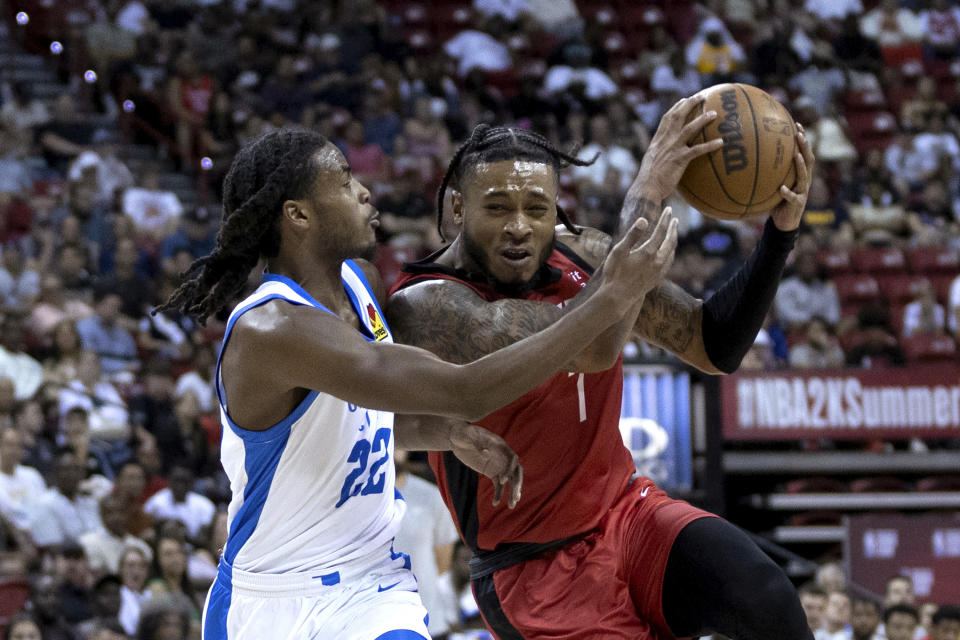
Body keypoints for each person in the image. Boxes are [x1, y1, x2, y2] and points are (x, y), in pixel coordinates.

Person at [155, 128, 676, 639]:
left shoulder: (362, 282)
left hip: (370, 588)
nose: (363, 191)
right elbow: (466, 390)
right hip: (270, 603)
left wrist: (443, 434)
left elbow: (347, 419)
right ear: (298, 214)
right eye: (342, 181)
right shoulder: (272, 329)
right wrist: (609, 297)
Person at [386, 97, 815, 640]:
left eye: (537, 207)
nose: (519, 226)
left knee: (767, 599)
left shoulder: (586, 254)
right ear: (455, 209)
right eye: (497, 207)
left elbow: (715, 345)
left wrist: (780, 234)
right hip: (532, 567)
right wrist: (646, 197)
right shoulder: (428, 305)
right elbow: (591, 346)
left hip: (628, 514)